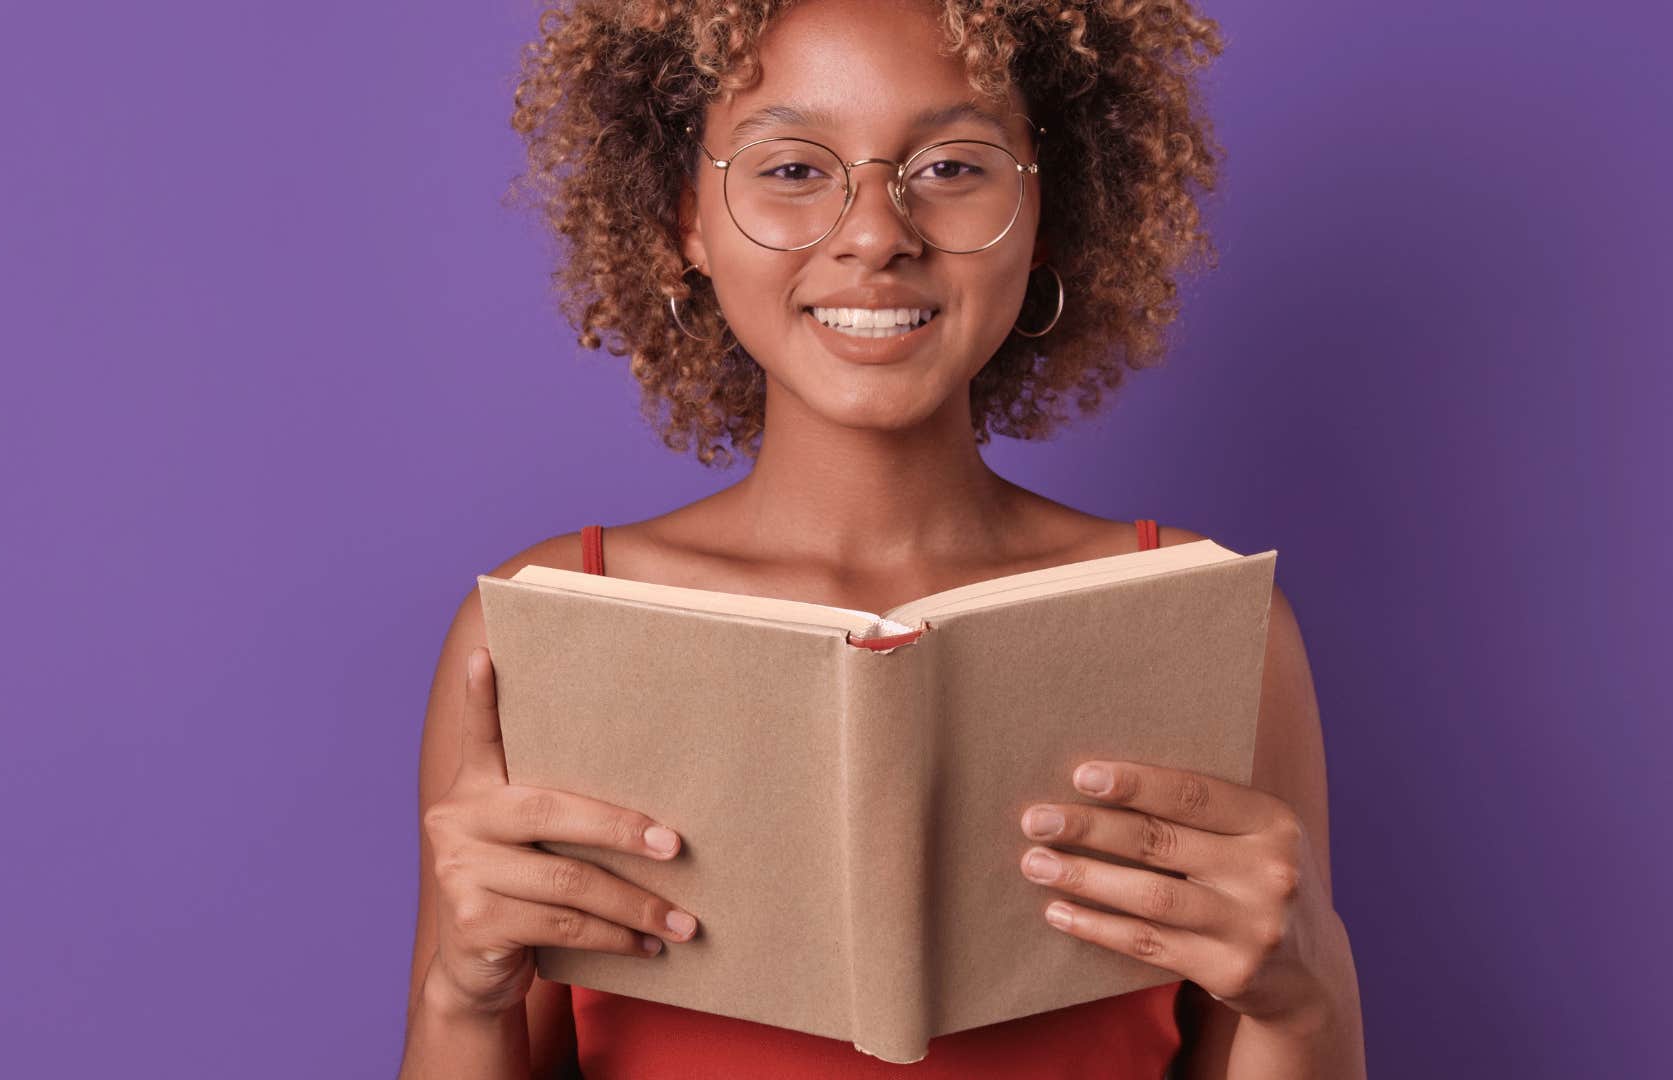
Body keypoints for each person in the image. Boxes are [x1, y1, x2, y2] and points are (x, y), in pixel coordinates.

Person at [397, 0, 1366, 1076]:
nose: (874, 233)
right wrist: (464, 997)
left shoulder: (1209, 620)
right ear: (687, 220)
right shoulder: (538, 626)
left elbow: (1282, 1025)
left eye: (953, 167)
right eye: (794, 169)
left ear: (1045, 207)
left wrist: (1302, 999)